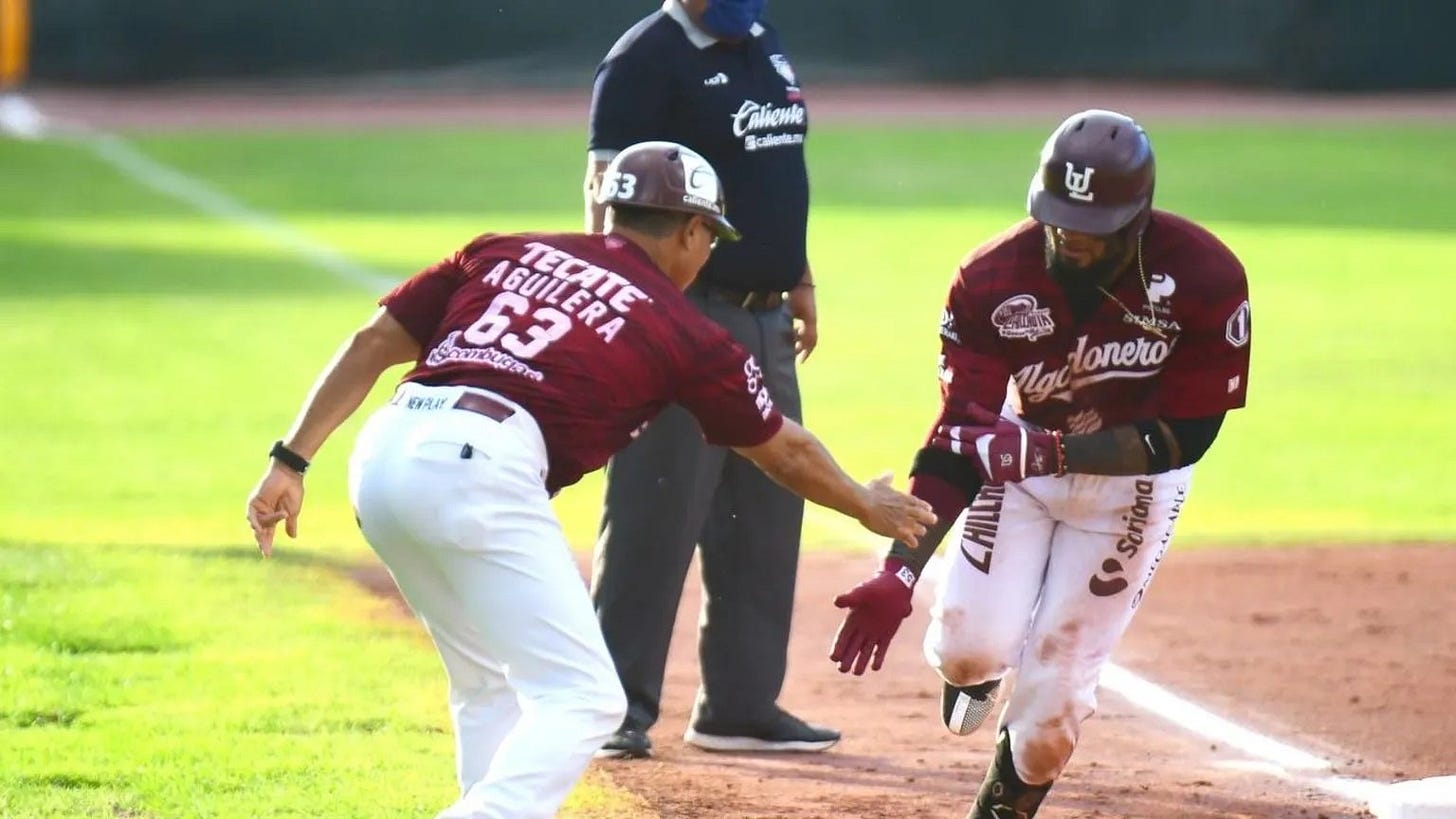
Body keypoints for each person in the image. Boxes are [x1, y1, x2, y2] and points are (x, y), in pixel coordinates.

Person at [244, 141, 935, 819]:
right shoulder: (681, 328)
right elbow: (783, 449)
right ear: (692, 231)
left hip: (386, 459)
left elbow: (372, 343)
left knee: (488, 682)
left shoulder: (502, 249)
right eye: (710, 236)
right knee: (587, 699)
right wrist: (862, 501)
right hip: (479, 466)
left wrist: (290, 460)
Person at [828, 110, 1253, 818]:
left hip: (1135, 485)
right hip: (1018, 465)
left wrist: (1051, 450)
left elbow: (1192, 431)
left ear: (1137, 219)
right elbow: (959, 434)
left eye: (1092, 230)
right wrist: (898, 569)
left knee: (1055, 701)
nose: (1071, 241)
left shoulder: (1206, 275)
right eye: (1059, 221)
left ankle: (1005, 799)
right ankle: (972, 672)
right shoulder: (991, 278)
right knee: (968, 650)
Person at [584, 0, 825, 761]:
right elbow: (606, 195)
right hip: (683, 315)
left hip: (765, 317)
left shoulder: (761, 38)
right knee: (657, 510)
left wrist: (799, 275)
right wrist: (625, 311)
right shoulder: (642, 60)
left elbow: (775, 172)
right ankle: (612, 705)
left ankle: (740, 705)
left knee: (766, 508)